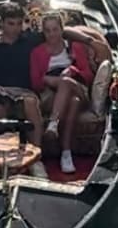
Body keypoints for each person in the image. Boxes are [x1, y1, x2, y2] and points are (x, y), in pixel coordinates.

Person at [29, 12, 95, 175]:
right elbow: (35, 83)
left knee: (66, 82)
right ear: (43, 32)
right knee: (73, 102)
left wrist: (72, 70)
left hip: (78, 87)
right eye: (48, 31)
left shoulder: (74, 47)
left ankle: (53, 124)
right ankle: (66, 153)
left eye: (55, 29)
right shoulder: (37, 53)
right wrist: (49, 80)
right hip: (50, 94)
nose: (52, 34)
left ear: (61, 29)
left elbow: (88, 76)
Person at [0, 2, 44, 144]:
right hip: (0, 93)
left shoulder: (30, 40)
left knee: (29, 103)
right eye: (11, 24)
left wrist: (89, 40)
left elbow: (62, 31)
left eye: (19, 24)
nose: (16, 29)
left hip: (24, 93)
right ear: (2, 23)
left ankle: (37, 154)